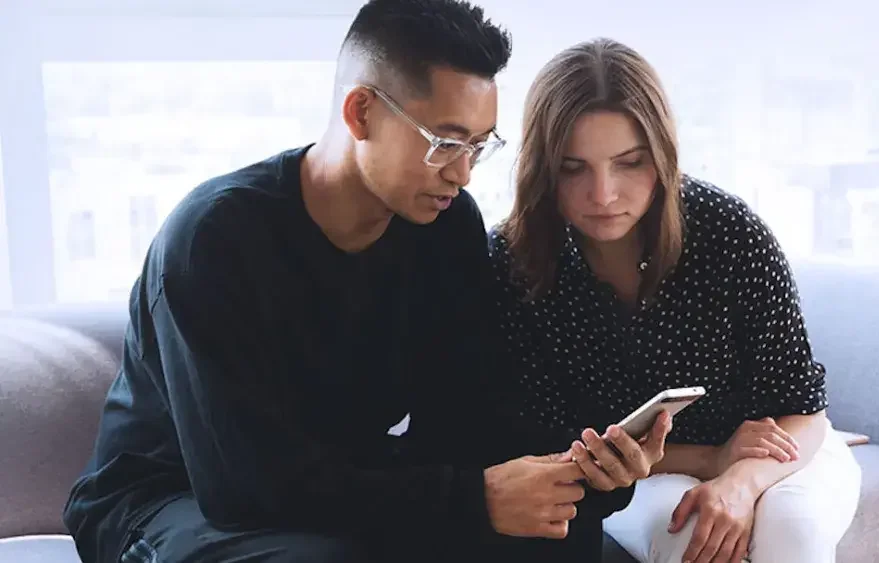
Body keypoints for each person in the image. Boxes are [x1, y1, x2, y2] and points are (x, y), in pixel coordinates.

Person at [62, 4, 670, 562]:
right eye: (445, 143)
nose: (461, 173)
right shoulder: (213, 241)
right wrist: (470, 500)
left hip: (344, 481)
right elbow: (241, 487)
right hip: (173, 497)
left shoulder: (446, 225)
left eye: (478, 147)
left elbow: (463, 421)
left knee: (561, 541)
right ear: (362, 113)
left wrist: (583, 468)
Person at [489, 38, 862, 563]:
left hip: (777, 454)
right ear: (542, 168)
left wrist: (738, 482)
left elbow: (802, 408)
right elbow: (543, 442)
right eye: (574, 168)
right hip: (641, 475)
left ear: (661, 155)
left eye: (628, 163)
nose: (603, 194)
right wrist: (710, 460)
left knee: (792, 531)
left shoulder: (729, 233)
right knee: (693, 537)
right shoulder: (513, 264)